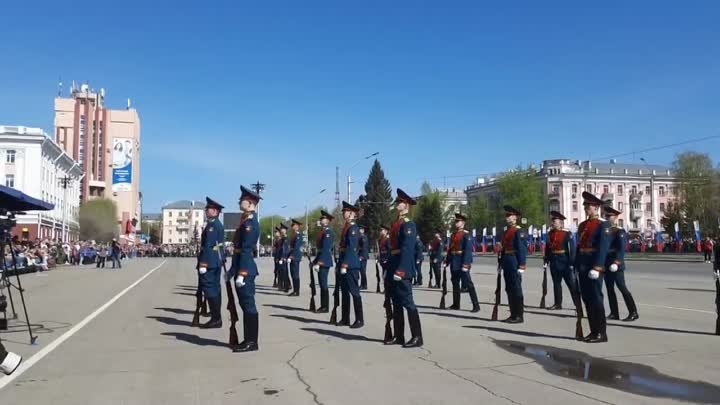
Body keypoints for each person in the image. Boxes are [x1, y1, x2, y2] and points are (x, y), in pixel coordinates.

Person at [384, 188, 423, 348]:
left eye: (400, 202)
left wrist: (402, 270)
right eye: (397, 201)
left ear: (406, 205)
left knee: (408, 302)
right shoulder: (396, 223)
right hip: (394, 263)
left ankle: (417, 336)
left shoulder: (409, 224)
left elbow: (407, 249)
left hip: (402, 266)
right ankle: (399, 335)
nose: (397, 204)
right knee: (396, 302)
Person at [575, 191, 611, 343]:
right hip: (583, 264)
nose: (586, 208)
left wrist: (597, 267)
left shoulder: (603, 225)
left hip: (593, 265)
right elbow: (579, 246)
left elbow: (603, 248)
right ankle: (593, 330)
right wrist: (576, 264)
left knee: (596, 298)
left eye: (588, 206)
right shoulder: (583, 225)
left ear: (596, 207)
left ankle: (601, 333)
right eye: (585, 206)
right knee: (587, 299)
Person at [230, 185, 261, 352]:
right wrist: (232, 270)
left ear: (250, 203)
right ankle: (248, 339)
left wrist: (241, 273)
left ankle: (252, 341)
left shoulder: (250, 224)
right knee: (244, 304)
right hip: (241, 267)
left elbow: (246, 250)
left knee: (248, 305)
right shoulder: (244, 221)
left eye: (241, 199)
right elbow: (238, 250)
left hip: (246, 270)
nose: (238, 201)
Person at [603, 205, 639, 322]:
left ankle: (633, 312)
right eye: (606, 216)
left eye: (610, 216)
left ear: (616, 217)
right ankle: (614, 312)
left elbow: (622, 248)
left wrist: (617, 262)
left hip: (616, 264)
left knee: (622, 287)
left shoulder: (619, 231)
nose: (608, 218)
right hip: (606, 263)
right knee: (609, 288)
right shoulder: (605, 231)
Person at [196, 197, 226, 329]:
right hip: (215, 261)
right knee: (214, 288)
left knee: (210, 289)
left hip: (209, 262)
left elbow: (209, 246)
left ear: (215, 211)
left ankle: (216, 318)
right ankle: (216, 316)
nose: (206, 210)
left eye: (208, 209)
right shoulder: (214, 224)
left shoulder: (213, 226)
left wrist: (203, 263)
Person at [543, 211, 579, 310]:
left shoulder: (567, 234)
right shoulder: (550, 234)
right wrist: (546, 259)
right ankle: (558, 304)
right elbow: (548, 248)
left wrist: (571, 263)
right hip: (554, 261)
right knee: (556, 284)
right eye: (552, 221)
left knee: (571, 284)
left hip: (565, 261)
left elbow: (572, 249)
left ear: (561, 223)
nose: (553, 223)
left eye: (555, 221)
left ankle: (577, 304)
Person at [445, 213, 480, 313]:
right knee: (455, 284)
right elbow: (450, 249)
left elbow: (468, 250)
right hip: (454, 261)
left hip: (462, 261)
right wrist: (447, 261)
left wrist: (466, 264)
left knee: (468, 284)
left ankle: (476, 305)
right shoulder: (453, 235)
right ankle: (456, 304)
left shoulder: (466, 235)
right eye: (455, 221)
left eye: (458, 221)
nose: (456, 223)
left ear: (463, 223)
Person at [337, 201, 364, 328]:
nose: (344, 213)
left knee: (354, 292)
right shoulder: (346, 227)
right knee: (344, 292)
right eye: (344, 211)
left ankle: (359, 319)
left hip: (350, 264)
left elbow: (351, 247)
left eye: (346, 211)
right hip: (344, 261)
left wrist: (345, 264)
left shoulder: (353, 229)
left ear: (353, 214)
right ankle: (345, 317)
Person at [499, 206, 527, 323]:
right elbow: (503, 248)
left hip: (515, 261)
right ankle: (513, 314)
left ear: (515, 217)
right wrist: (500, 262)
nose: (507, 218)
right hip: (507, 261)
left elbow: (522, 249)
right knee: (509, 288)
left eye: (509, 215)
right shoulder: (506, 231)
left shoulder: (518, 231)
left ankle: (519, 315)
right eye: (506, 216)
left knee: (516, 288)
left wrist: (521, 265)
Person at [312, 210, 335, 313]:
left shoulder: (328, 233)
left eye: (323, 218)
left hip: (325, 261)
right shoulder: (323, 232)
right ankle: (323, 305)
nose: (321, 220)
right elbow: (320, 250)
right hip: (322, 259)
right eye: (321, 218)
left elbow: (326, 249)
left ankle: (325, 306)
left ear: (328, 221)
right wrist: (314, 261)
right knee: (322, 284)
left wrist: (319, 263)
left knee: (324, 284)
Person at [287, 219, 304, 297]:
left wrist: (291, 256)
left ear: (297, 227)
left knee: (295, 274)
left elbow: (296, 247)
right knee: (293, 274)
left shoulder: (299, 235)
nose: (292, 227)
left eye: (294, 226)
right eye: (292, 226)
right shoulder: (294, 235)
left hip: (296, 257)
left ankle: (297, 291)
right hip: (293, 256)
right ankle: (295, 290)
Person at [278, 224, 290, 293]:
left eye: (282, 229)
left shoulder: (286, 238)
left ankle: (287, 286)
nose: (281, 230)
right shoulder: (282, 238)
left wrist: (283, 257)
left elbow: (285, 249)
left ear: (285, 230)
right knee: (283, 272)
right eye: (281, 229)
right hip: (281, 258)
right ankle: (286, 286)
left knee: (285, 272)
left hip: (284, 258)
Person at [358, 225, 369, 290]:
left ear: (363, 230)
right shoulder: (360, 237)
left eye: (361, 229)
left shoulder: (363, 237)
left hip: (363, 256)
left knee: (362, 271)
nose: (359, 230)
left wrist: (361, 256)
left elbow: (364, 248)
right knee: (361, 270)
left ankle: (364, 285)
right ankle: (363, 284)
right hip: (360, 255)